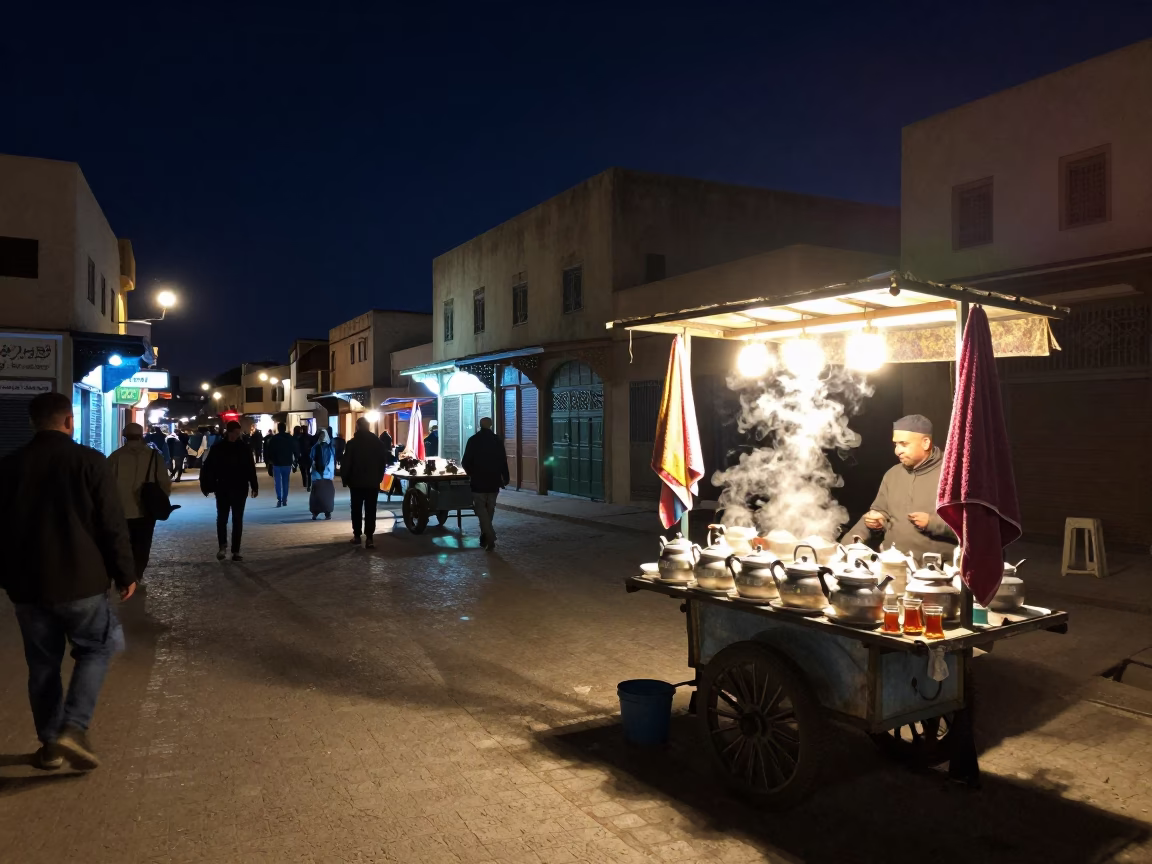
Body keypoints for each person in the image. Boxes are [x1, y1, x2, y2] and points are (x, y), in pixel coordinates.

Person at [0, 392, 136, 771]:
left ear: (32, 423)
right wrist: (125, 572)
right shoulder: (89, 462)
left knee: (42, 667)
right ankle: (73, 727)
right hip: (81, 582)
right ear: (69, 421)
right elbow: (112, 523)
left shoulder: (8, 466)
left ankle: (50, 747)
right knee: (97, 647)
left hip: (28, 587)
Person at [842, 414, 958, 561]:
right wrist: (855, 539)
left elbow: (974, 529)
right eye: (896, 444)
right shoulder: (893, 474)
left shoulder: (953, 476)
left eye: (904, 444)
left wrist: (933, 523)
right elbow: (879, 512)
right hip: (890, 564)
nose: (898, 451)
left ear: (925, 443)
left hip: (936, 571)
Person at [108, 422, 171, 583]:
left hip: (122, 510)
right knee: (143, 544)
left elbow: (106, 484)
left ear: (124, 437)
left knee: (123, 544)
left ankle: (126, 575)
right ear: (142, 436)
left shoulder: (115, 457)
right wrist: (161, 500)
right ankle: (138, 574)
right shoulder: (154, 456)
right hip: (146, 510)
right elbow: (164, 482)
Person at [199, 420, 258, 561]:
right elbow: (208, 468)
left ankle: (236, 550)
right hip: (223, 488)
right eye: (235, 433)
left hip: (240, 488)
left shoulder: (244, 448)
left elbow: (250, 468)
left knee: (237, 519)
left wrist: (254, 485)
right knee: (222, 518)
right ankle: (222, 547)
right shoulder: (218, 448)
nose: (237, 436)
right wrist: (207, 485)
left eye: (238, 433)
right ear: (229, 432)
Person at [461, 417, 510, 551]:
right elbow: (503, 461)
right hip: (494, 481)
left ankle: (489, 535)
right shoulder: (497, 441)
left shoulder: (473, 440)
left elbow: (465, 462)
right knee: (490, 510)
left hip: (478, 481)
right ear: (491, 425)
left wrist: (471, 474)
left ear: (479, 425)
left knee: (481, 510)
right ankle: (487, 536)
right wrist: (505, 477)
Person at [340, 417, 388, 548]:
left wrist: (345, 478)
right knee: (371, 509)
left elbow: (347, 463)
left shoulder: (352, 444)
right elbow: (382, 463)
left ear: (357, 427)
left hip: (356, 483)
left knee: (356, 509)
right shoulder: (378, 444)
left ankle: (357, 535)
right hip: (372, 482)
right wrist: (379, 478)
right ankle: (369, 537)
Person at [264, 421, 298, 506]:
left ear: (278, 429)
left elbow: (269, 451)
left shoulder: (274, 439)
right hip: (287, 463)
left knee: (278, 482)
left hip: (277, 463)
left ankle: (279, 499)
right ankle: (284, 499)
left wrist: (269, 462)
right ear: (285, 428)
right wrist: (296, 461)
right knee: (286, 482)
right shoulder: (289, 438)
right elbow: (295, 449)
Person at [308, 429, 337, 520]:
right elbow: (331, 462)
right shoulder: (329, 448)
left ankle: (316, 513)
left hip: (319, 476)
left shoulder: (315, 448)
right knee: (327, 495)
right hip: (325, 476)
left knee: (317, 495)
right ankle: (326, 513)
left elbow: (311, 461)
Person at [296, 426, 315, 491]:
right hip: (308, 456)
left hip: (302, 456)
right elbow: (313, 446)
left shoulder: (299, 438)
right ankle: (309, 484)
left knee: (303, 471)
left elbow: (297, 448)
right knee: (309, 471)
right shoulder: (310, 437)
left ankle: (305, 483)